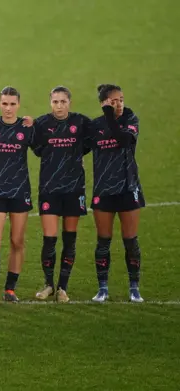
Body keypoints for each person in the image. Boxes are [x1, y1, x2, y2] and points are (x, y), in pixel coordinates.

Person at [31, 86, 91, 303]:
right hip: (49, 188)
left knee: (69, 239)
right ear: (50, 103)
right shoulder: (41, 124)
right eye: (55, 102)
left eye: (63, 101)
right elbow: (35, 147)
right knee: (49, 239)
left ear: (70, 103)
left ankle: (63, 287)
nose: (59, 106)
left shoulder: (82, 123)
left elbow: (92, 142)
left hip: (74, 188)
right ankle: (48, 284)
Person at [0, 87, 37, 306]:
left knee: (17, 241)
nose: (9, 108)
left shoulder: (27, 128)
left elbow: (44, 148)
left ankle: (10, 289)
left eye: (13, 104)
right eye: (5, 104)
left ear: (18, 105)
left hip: (20, 190)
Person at [87, 84, 145, 303]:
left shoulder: (131, 119)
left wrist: (109, 115)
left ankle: (134, 287)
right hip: (104, 190)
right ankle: (102, 288)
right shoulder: (94, 126)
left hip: (128, 188)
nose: (119, 103)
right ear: (104, 103)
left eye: (121, 99)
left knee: (130, 240)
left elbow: (123, 140)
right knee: (103, 241)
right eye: (113, 101)